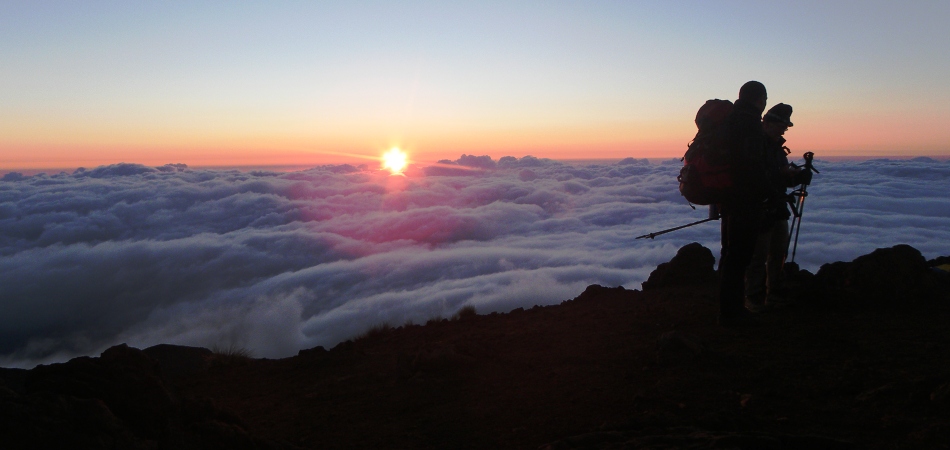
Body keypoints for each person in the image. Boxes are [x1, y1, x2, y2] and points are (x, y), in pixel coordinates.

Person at [744, 103, 808, 311]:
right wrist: (786, 176)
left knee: (779, 252)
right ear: (769, 123)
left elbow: (780, 178)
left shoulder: (776, 148)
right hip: (760, 207)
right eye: (783, 125)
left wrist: (796, 178)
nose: (784, 129)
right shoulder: (755, 145)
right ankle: (753, 298)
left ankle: (774, 293)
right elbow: (755, 177)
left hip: (776, 205)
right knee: (759, 255)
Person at [717, 81, 770, 327]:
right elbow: (750, 165)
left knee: (729, 254)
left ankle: (726, 308)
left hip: (727, 198)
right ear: (759, 99)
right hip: (744, 200)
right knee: (739, 257)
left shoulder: (729, 121)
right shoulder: (749, 124)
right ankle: (732, 313)